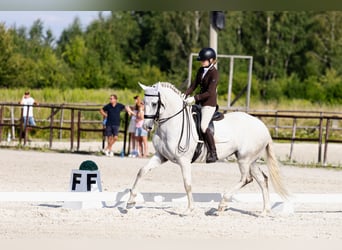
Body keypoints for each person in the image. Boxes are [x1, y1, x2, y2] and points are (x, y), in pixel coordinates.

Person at [184, 47, 219, 163]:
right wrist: (184, 95)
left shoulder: (214, 73)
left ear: (211, 60)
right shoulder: (200, 70)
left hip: (209, 104)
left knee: (203, 126)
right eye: (201, 60)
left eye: (203, 60)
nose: (201, 62)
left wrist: (194, 98)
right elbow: (193, 85)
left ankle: (213, 152)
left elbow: (210, 92)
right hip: (199, 103)